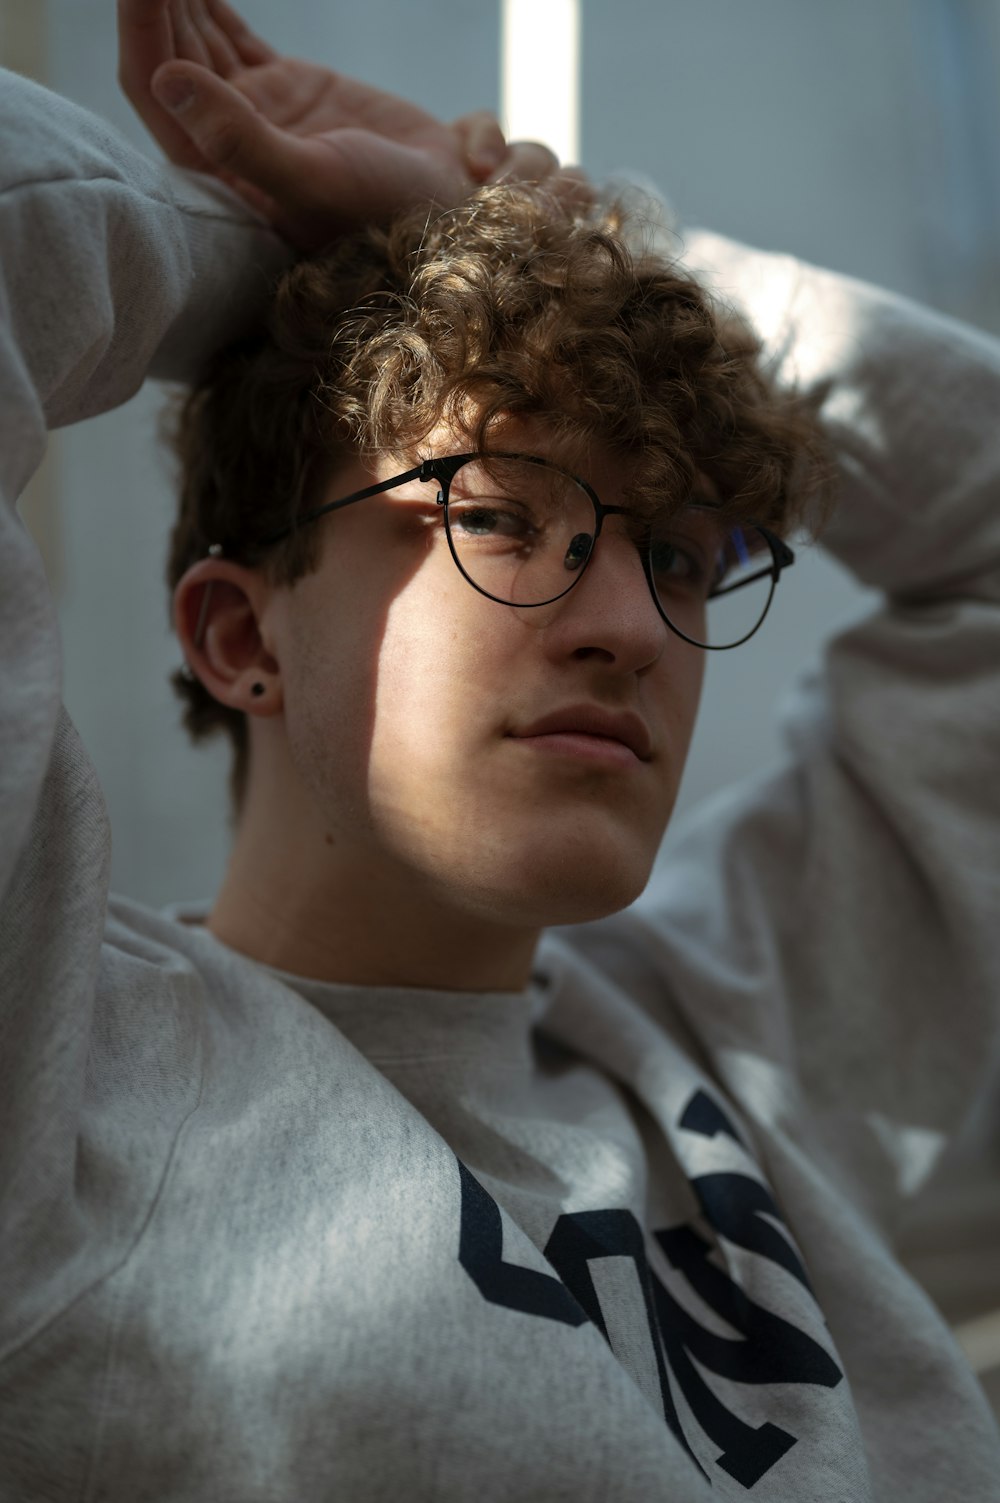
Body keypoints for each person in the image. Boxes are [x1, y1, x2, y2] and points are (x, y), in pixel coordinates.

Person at [1, 3, 998, 1499]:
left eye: (679, 557)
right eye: (496, 516)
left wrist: (558, 241)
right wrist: (290, 260)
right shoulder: (60, 1078)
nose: (635, 628)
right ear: (240, 635)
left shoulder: (739, 1044)